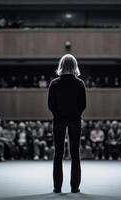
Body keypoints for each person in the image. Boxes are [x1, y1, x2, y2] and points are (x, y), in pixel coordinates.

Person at [48, 54, 86, 193]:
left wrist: (59, 115)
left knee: (58, 153)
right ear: (74, 66)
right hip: (75, 120)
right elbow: (83, 105)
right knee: (75, 153)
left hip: (58, 120)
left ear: (61, 66)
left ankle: (57, 187)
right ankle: (74, 187)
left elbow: (51, 105)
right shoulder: (79, 83)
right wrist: (74, 115)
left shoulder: (54, 83)